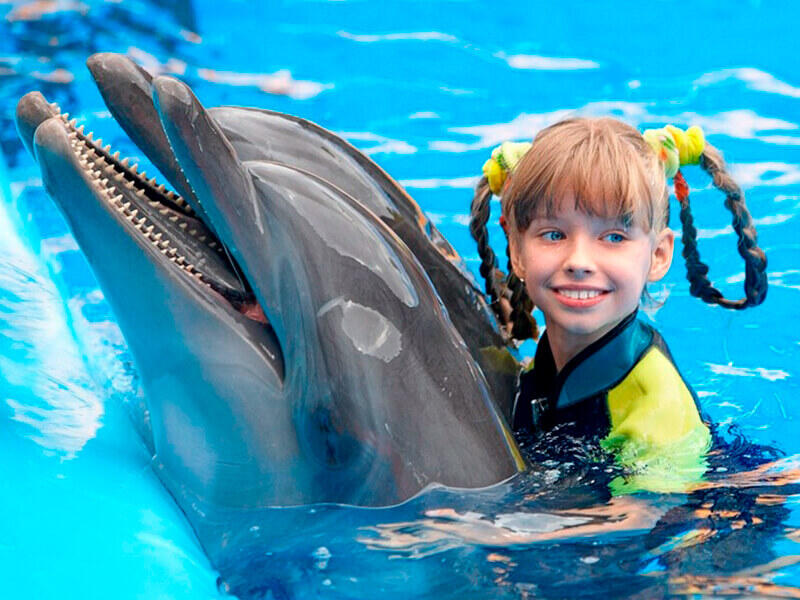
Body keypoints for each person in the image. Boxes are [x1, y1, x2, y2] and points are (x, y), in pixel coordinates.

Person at [469, 118, 768, 492]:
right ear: (516, 250)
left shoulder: (655, 411)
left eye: (613, 237)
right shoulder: (550, 361)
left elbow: (640, 519)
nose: (579, 261)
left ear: (658, 255)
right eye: (554, 234)